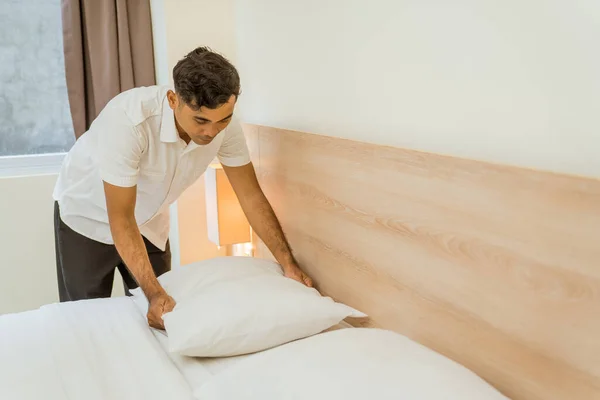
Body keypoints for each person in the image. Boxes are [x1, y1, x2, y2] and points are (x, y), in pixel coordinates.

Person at [52, 46, 313, 330]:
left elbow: (250, 196)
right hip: (87, 217)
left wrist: (288, 263)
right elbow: (121, 217)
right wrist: (153, 293)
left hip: (150, 222)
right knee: (85, 321)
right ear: (173, 99)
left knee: (164, 316)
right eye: (201, 121)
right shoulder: (130, 121)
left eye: (222, 120)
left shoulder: (225, 128)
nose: (211, 132)